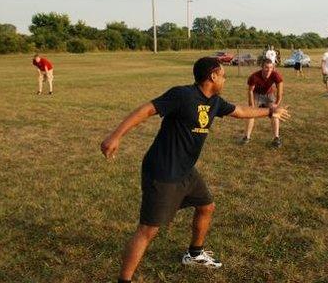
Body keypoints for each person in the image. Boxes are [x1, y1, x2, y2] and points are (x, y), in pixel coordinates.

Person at [100, 57, 289, 283]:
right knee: (148, 230)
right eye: (223, 75)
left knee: (206, 207)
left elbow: (239, 111)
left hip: (186, 170)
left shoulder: (215, 101)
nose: (225, 79)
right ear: (212, 76)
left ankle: (194, 254)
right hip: (163, 171)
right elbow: (147, 110)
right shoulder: (182, 95)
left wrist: (269, 112)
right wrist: (116, 135)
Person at [241, 59, 284, 148]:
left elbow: (280, 92)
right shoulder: (254, 76)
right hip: (257, 95)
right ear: (262, 67)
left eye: (271, 67)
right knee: (250, 114)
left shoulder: (276, 75)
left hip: (269, 95)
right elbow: (250, 91)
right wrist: (252, 106)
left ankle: (276, 138)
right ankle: (246, 137)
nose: (269, 70)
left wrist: (276, 104)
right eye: (266, 67)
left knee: (275, 113)